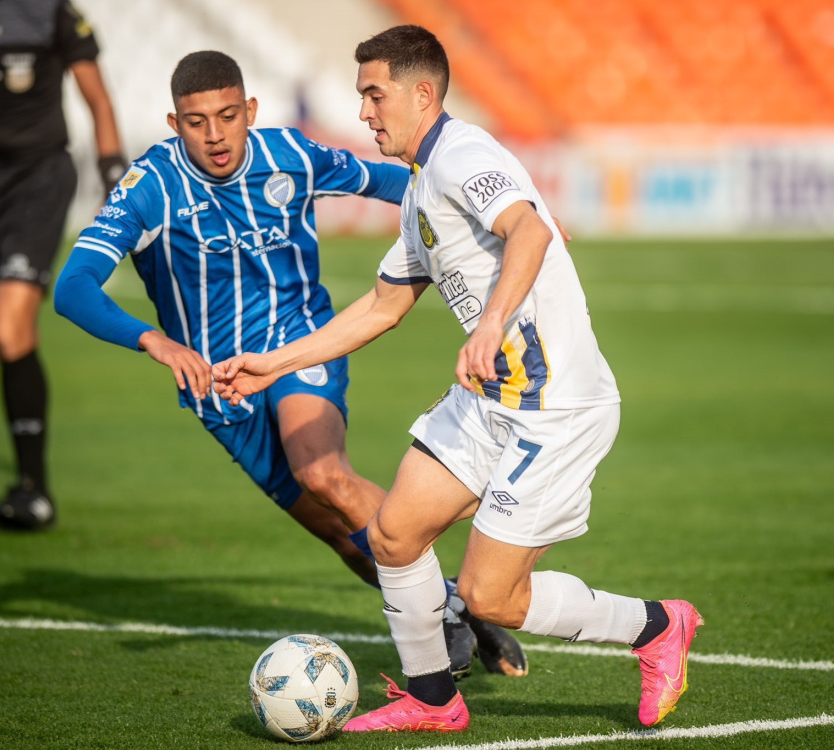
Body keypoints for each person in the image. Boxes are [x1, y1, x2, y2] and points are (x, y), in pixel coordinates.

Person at [212, 25, 703, 733]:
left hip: (556, 406)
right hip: (490, 399)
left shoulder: (463, 156)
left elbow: (530, 229)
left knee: (489, 597)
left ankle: (657, 627)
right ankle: (433, 699)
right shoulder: (418, 193)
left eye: (374, 96)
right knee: (393, 535)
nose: (365, 113)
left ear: (422, 93)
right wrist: (274, 364)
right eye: (361, 98)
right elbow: (385, 304)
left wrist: (491, 321)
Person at [53, 50, 527, 680]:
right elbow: (74, 286)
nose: (215, 135)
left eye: (227, 116)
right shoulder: (151, 187)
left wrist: (502, 216)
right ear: (174, 123)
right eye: (197, 122)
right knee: (340, 533)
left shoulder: (291, 156)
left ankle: (446, 614)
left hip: (298, 344)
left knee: (324, 473)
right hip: (220, 389)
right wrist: (154, 340)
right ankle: (459, 605)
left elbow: (394, 182)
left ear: (250, 110)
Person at [0, 0, 127, 531]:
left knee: (7, 324)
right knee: (7, 339)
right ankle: (29, 490)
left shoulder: (49, 11)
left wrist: (116, 180)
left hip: (39, 177)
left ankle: (35, 493)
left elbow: (98, 99)